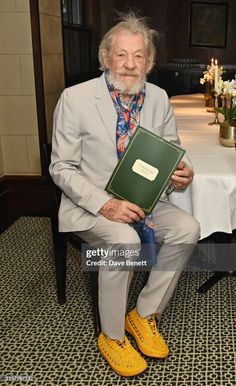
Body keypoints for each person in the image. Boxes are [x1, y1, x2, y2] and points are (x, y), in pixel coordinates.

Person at [50, 12, 200, 377]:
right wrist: (107, 204)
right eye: (121, 55)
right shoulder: (75, 99)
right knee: (124, 241)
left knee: (188, 228)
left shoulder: (160, 98)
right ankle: (112, 335)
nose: (130, 65)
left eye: (138, 56)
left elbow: (168, 152)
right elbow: (61, 168)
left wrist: (179, 176)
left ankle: (144, 315)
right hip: (93, 205)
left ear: (149, 61)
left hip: (144, 202)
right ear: (106, 58)